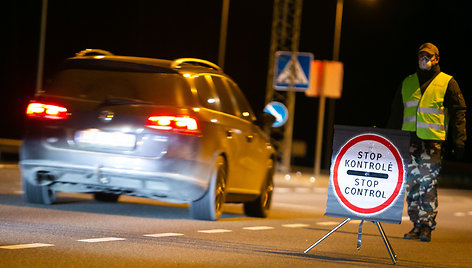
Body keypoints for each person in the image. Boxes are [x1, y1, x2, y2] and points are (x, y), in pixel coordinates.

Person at [387, 42, 467, 242]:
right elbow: (396, 114)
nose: (424, 59)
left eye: (428, 56)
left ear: (436, 59)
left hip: (432, 144)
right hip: (409, 143)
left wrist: (460, 141)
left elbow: (459, 113)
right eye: (421, 56)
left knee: (427, 184)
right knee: (412, 185)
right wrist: (390, 141)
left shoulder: (447, 82)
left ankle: (426, 226)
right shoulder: (408, 82)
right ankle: (416, 224)